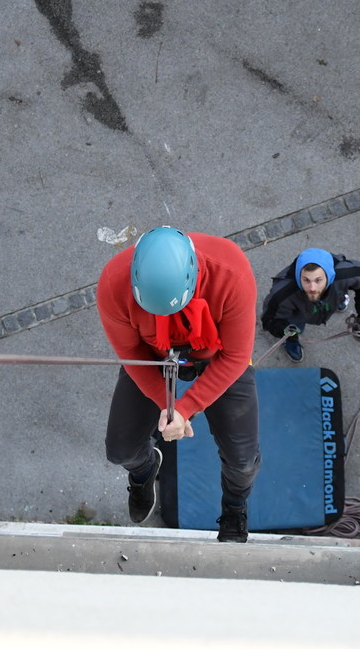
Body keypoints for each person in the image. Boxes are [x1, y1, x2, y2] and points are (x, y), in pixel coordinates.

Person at [97, 226, 260, 542]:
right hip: (152, 353)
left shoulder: (232, 273)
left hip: (218, 354)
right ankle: (144, 470)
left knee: (242, 460)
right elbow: (130, 352)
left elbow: (236, 356)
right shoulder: (113, 284)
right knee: (120, 451)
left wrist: (185, 408)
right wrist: (164, 401)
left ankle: (234, 507)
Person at [260, 248, 360, 362]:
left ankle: (338, 300)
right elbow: (270, 319)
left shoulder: (344, 274)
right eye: (306, 280)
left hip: (334, 290)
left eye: (318, 280)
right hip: (299, 314)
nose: (312, 288)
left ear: (329, 276)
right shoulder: (282, 294)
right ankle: (292, 341)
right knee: (296, 328)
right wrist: (284, 331)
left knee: (337, 293)